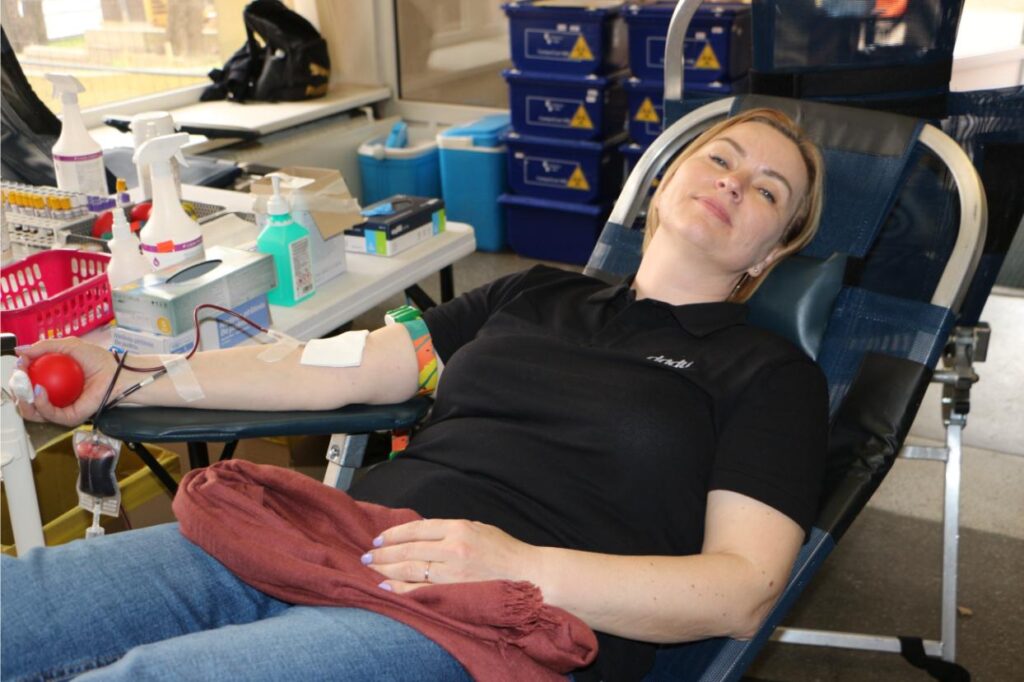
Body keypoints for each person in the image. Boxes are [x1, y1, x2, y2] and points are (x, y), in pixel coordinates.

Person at [3, 107, 827, 681]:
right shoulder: (531, 292)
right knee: (23, 605)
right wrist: (128, 371)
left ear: (770, 256)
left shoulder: (770, 375)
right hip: (329, 536)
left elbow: (741, 591)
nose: (734, 183)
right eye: (721, 158)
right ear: (667, 178)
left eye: (768, 191)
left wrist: (519, 568)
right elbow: (336, 367)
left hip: (478, 620)